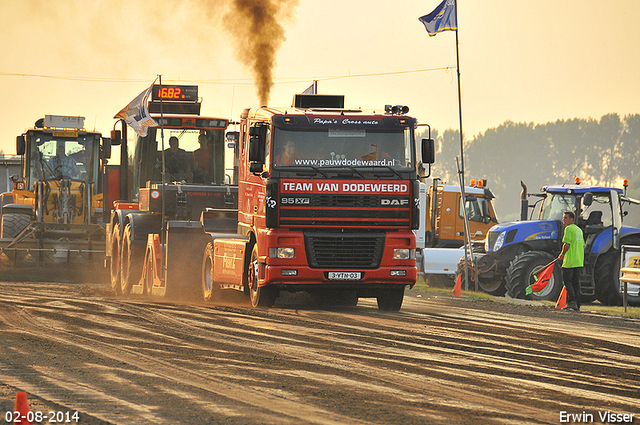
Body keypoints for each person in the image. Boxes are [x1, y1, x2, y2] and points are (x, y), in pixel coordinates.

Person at [557, 211, 585, 311]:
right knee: (575, 283)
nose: (563, 219)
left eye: (565, 218)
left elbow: (567, 244)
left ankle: (571, 302)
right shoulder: (579, 230)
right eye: (563, 218)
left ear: (571, 219)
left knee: (567, 282)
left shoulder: (568, 229)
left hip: (570, 261)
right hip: (578, 260)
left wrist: (562, 254)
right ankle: (577, 303)